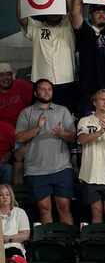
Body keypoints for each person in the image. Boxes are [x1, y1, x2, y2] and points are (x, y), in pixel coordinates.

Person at [15, 79, 75, 224]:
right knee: (44, 208)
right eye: (42, 89)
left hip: (61, 167)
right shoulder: (26, 113)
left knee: (64, 207)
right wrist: (37, 128)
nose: (47, 92)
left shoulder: (62, 110)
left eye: (49, 89)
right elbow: (19, 137)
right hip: (36, 170)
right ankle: (49, 244)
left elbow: (73, 137)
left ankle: (68, 244)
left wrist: (62, 133)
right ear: (35, 92)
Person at [15, 0, 76, 110]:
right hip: (41, 80)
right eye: (50, 9)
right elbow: (22, 19)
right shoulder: (36, 27)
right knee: (41, 117)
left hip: (65, 80)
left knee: (65, 117)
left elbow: (75, 14)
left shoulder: (68, 25)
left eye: (56, 9)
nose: (53, 12)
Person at [77, 89, 105, 224]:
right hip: (91, 174)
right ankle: (97, 242)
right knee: (96, 212)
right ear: (94, 102)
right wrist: (99, 132)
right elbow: (81, 140)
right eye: (102, 99)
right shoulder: (85, 121)